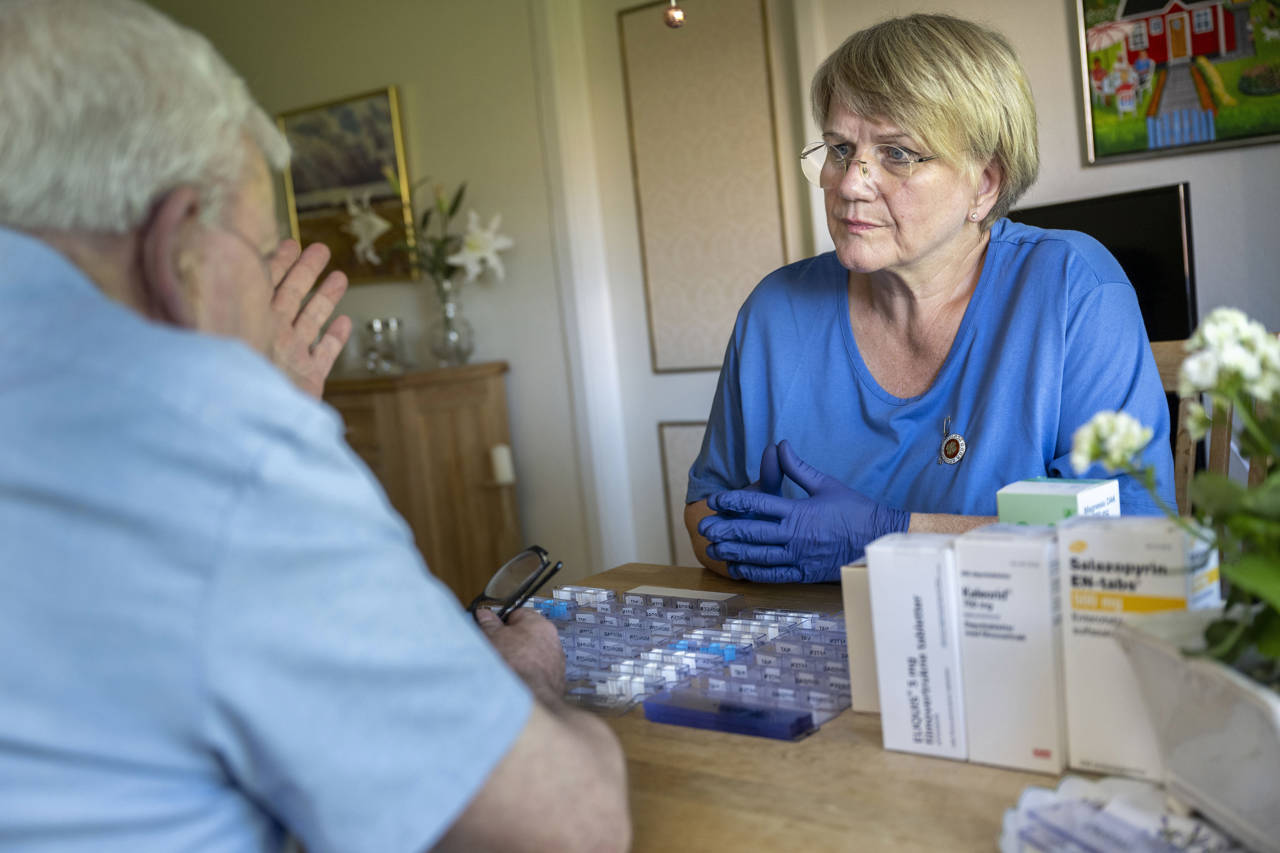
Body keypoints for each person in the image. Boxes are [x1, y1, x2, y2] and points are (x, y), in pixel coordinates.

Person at [0, 1, 629, 851]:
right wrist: (527, 684)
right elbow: (569, 829)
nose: (269, 294)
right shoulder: (214, 454)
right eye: (262, 256)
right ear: (179, 243)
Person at [685, 13, 1174, 584]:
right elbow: (705, 509)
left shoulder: (1072, 288)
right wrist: (752, 537)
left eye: (897, 154)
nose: (849, 183)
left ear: (985, 183)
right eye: (840, 149)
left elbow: (1129, 545)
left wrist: (884, 538)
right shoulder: (775, 310)